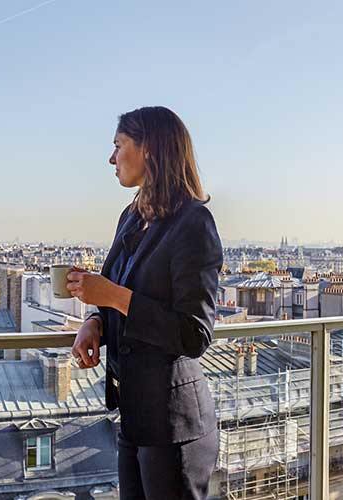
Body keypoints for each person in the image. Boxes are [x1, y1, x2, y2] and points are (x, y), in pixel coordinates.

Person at [65, 106, 222, 500]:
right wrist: (95, 323)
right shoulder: (132, 217)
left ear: (148, 148)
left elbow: (194, 334)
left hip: (174, 427)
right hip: (135, 416)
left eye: (118, 145)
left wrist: (112, 297)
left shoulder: (194, 223)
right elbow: (120, 295)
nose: (111, 158)